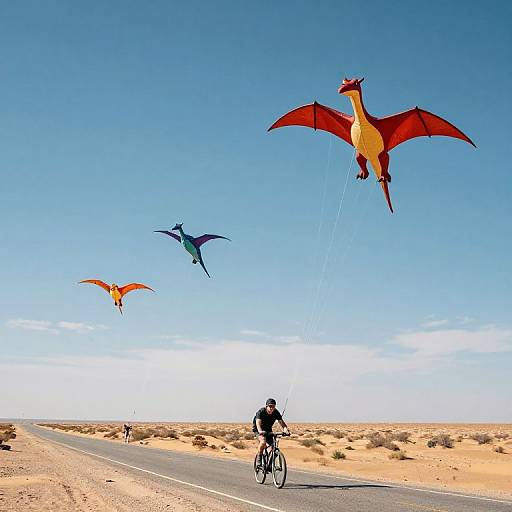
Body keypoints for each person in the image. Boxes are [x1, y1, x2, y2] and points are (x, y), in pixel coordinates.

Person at [252, 398, 290, 467]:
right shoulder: (261, 412)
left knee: (274, 449)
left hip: (268, 430)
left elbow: (282, 423)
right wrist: (260, 431)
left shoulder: (276, 412)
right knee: (263, 442)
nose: (271, 408)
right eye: (270, 406)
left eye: (273, 406)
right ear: (266, 406)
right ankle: (259, 457)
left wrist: (286, 430)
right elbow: (258, 423)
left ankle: (269, 465)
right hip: (258, 430)